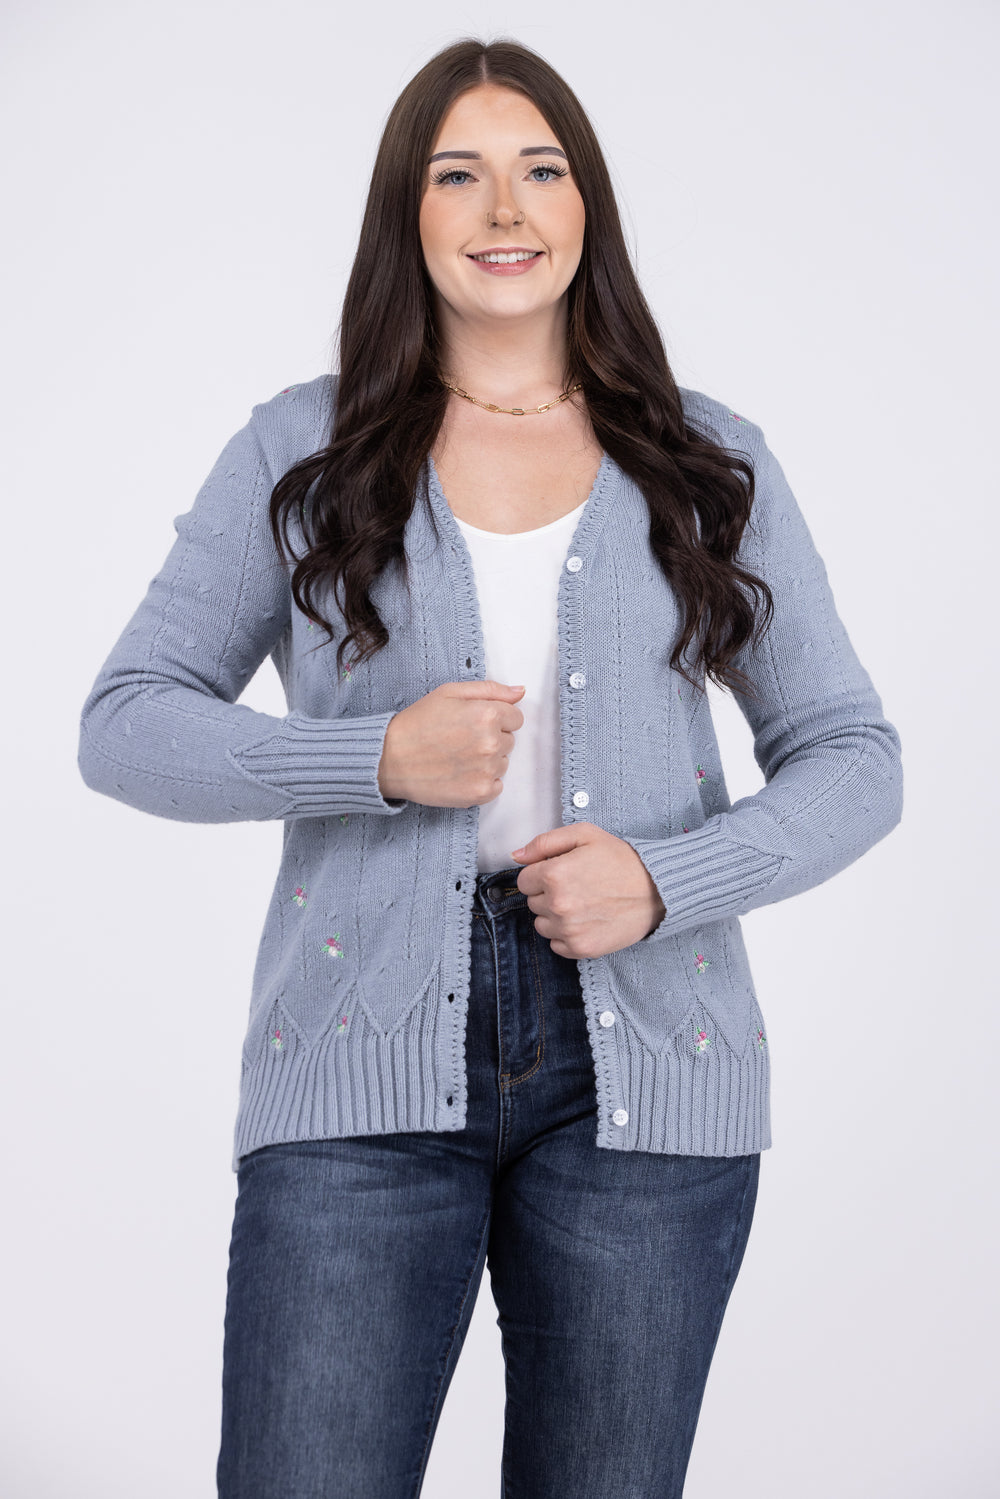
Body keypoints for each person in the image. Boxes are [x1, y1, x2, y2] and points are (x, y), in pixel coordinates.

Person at [76, 35, 904, 1499]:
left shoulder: (707, 459)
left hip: (652, 1067)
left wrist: (667, 879)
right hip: (357, 1058)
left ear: (589, 206)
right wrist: (375, 758)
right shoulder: (303, 448)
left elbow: (853, 755)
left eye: (542, 170)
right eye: (459, 175)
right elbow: (128, 722)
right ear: (408, 211)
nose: (506, 209)